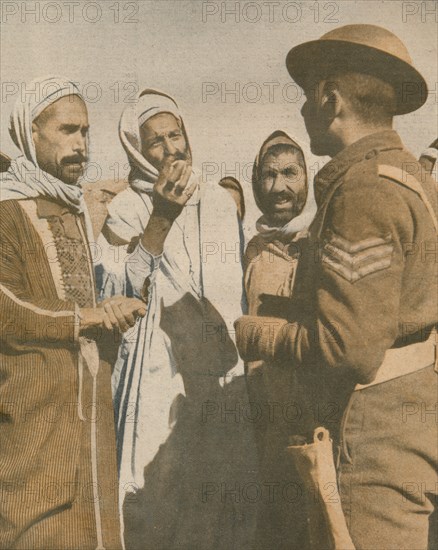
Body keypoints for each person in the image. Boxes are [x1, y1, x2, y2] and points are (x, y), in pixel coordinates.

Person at [235, 25, 437, 549]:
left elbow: (345, 346)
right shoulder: (411, 177)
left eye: (308, 97)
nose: (303, 112)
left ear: (331, 98)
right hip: (406, 424)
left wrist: (259, 335)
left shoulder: (364, 190)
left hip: (369, 438)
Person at [98, 89, 256, 549]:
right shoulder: (125, 208)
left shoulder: (219, 204)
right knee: (158, 498)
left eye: (176, 135)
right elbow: (121, 290)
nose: (171, 150)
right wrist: (161, 218)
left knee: (219, 504)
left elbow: (231, 299)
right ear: (136, 149)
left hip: (218, 374)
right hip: (155, 376)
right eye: (156, 142)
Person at [0, 76, 146, 550]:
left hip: (88, 414)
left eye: (85, 132)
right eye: (67, 130)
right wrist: (90, 317)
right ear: (30, 132)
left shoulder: (73, 209)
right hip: (32, 418)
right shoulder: (6, 209)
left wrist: (113, 313)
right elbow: (7, 308)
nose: (80, 144)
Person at [244, 130, 315, 549]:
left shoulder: (323, 238)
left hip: (315, 407)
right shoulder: (250, 248)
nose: (280, 187)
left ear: (306, 176)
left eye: (290, 173)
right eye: (269, 176)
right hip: (264, 410)